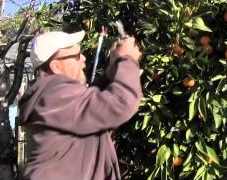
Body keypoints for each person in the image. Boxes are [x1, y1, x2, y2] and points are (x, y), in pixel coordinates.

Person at [18, 30, 142, 180]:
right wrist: (127, 59)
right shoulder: (55, 96)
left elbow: (89, 104)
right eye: (76, 55)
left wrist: (111, 72)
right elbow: (120, 104)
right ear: (56, 66)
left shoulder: (53, 96)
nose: (83, 58)